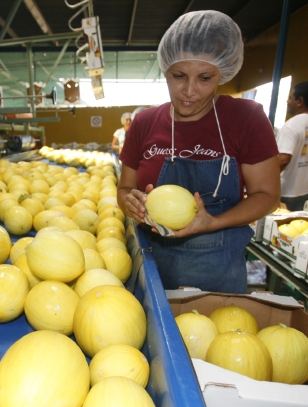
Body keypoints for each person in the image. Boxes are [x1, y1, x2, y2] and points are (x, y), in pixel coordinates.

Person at [117, 10, 280, 294]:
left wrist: (212, 222)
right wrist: (129, 202)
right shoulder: (144, 123)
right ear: (165, 69)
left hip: (217, 272)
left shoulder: (246, 118)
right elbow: (124, 189)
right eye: (178, 75)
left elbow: (267, 196)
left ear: (223, 73)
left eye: (205, 78)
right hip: (152, 266)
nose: (189, 91)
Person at [277, 82, 308, 211]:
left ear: (300, 101)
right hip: (306, 189)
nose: (287, 102)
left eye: (290, 98)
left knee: (277, 228)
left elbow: (283, 159)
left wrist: (262, 183)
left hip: (286, 191)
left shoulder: (292, 125)